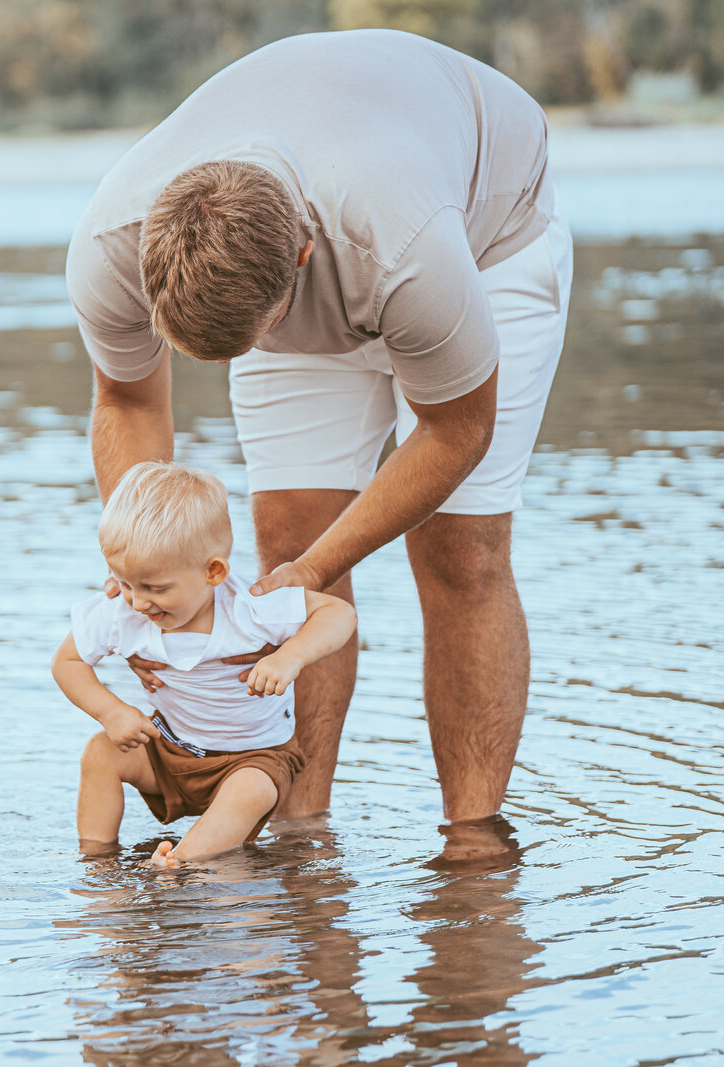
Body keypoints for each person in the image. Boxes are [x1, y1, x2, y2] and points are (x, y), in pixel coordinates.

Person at [66, 30, 572, 836]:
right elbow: (127, 401)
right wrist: (140, 567)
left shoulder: (407, 250)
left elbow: (457, 428)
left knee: (459, 549)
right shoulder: (109, 245)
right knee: (284, 537)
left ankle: (473, 853)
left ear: (300, 261)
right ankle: (297, 827)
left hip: (484, 235)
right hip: (329, 207)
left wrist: (320, 568)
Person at [52, 462, 356, 866]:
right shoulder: (121, 612)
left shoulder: (249, 608)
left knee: (250, 791)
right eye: (125, 583)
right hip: (171, 748)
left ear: (214, 571)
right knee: (101, 752)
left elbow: (338, 614)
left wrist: (290, 656)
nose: (139, 602)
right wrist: (111, 711)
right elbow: (67, 661)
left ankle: (182, 863)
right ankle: (97, 857)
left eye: (156, 588)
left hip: (254, 757)